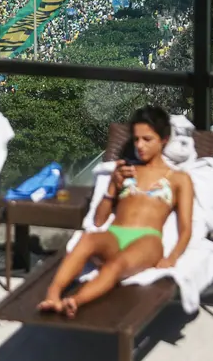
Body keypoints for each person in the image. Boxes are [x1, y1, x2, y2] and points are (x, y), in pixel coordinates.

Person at [38, 106, 194, 318]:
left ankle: (75, 301)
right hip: (115, 233)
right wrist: (112, 185)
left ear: (164, 140)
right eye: (137, 139)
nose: (140, 145)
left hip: (147, 239)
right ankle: (53, 294)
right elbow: (99, 219)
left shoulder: (179, 179)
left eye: (147, 139)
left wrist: (173, 257)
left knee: (117, 264)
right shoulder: (125, 171)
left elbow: (186, 228)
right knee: (86, 239)